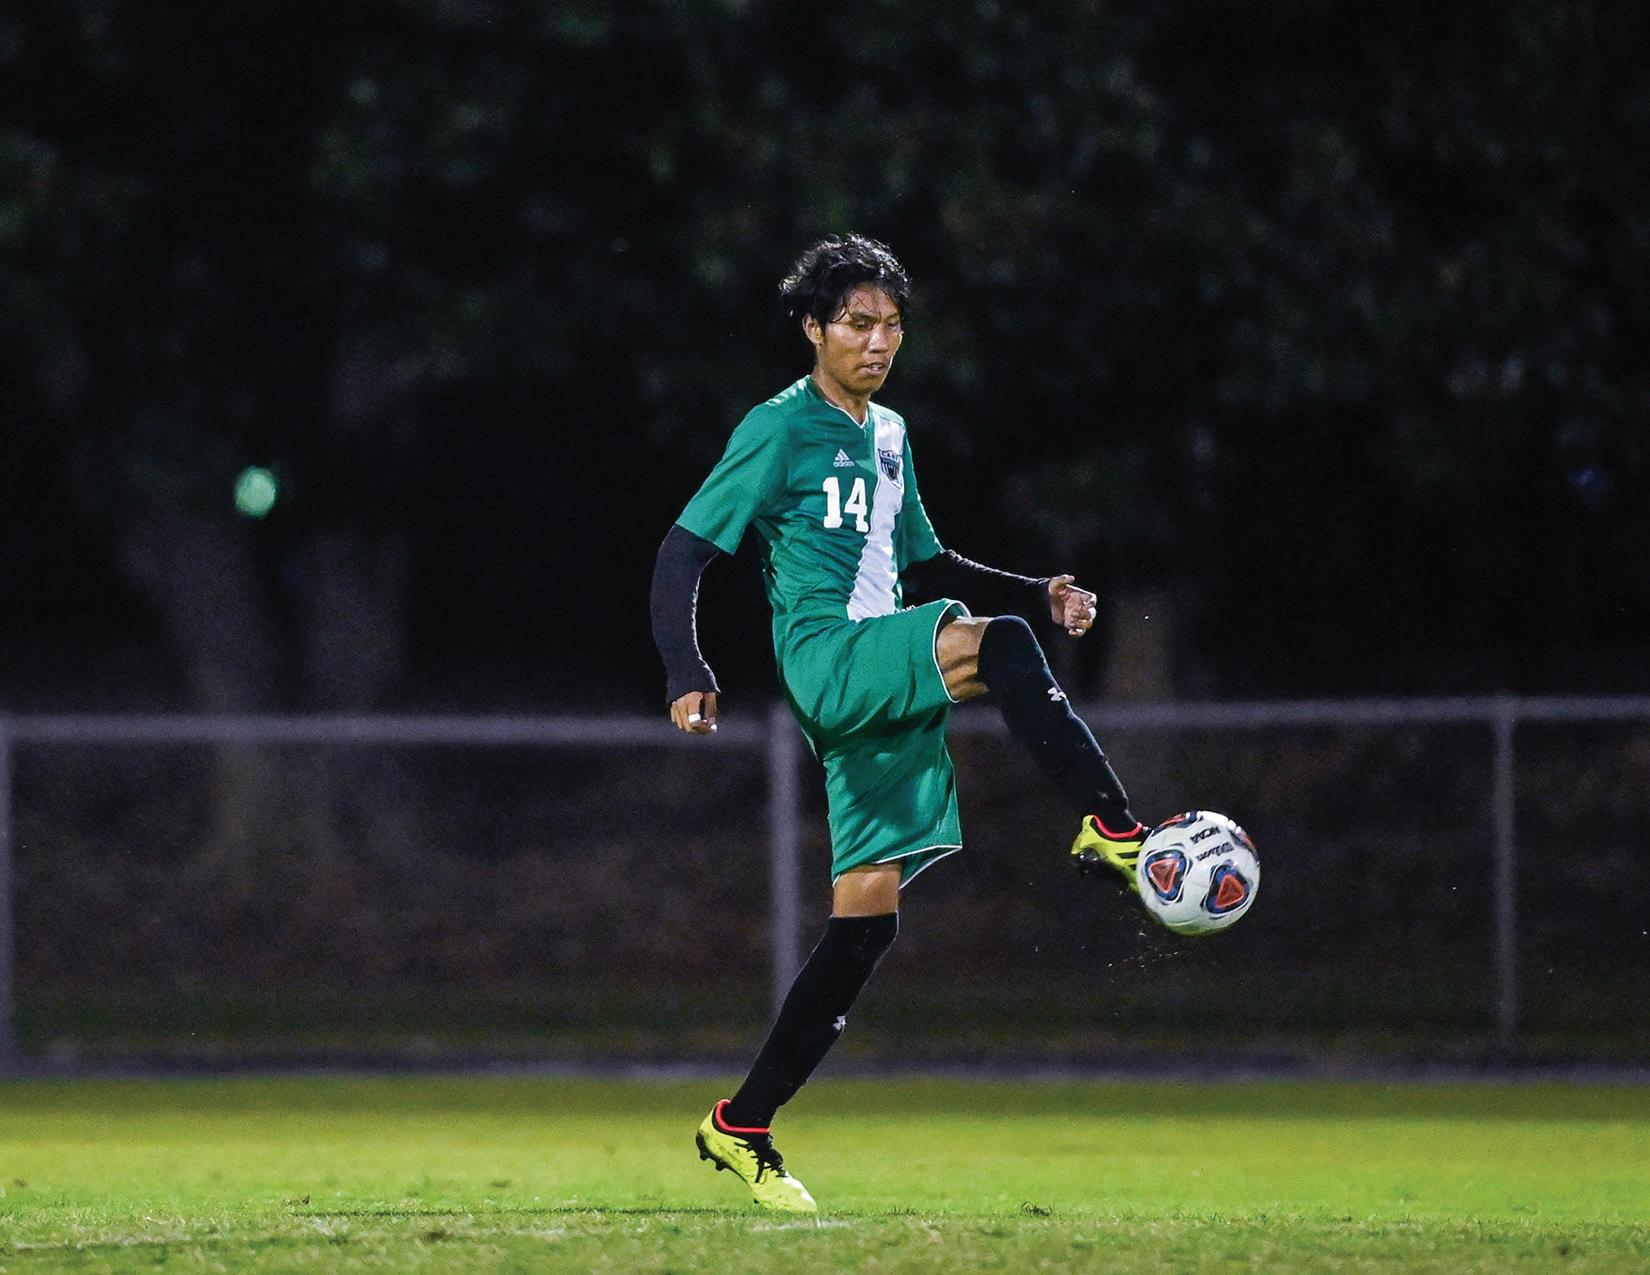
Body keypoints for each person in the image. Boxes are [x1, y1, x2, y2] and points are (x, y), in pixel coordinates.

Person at [649, 235, 1149, 1213]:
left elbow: (924, 564)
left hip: (882, 670)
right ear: (813, 328)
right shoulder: (777, 427)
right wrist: (686, 666)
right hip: (832, 656)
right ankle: (1112, 825)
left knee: (865, 925)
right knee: (999, 646)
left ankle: (741, 1124)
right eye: (857, 324)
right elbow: (682, 551)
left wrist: (1039, 591)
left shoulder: (889, 434)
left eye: (891, 325)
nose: (877, 342)